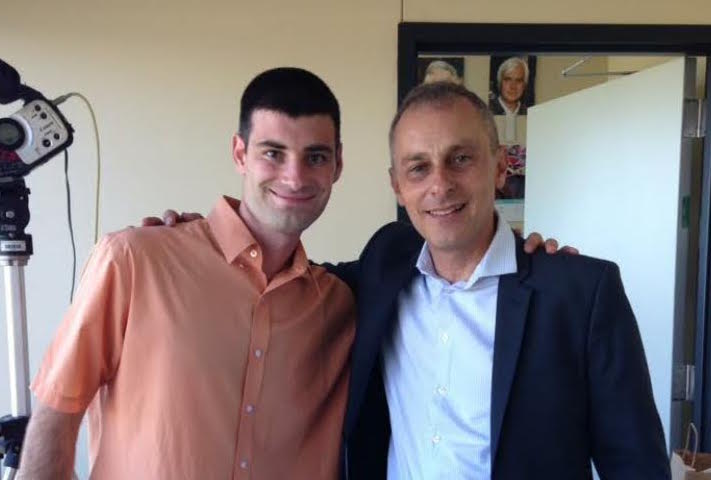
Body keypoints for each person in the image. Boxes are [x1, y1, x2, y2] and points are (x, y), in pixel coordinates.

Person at [17, 67, 358, 480]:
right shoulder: (135, 260)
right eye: (273, 152)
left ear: (338, 164)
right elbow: (56, 414)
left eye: (316, 157)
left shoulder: (339, 303)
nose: (295, 176)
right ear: (239, 153)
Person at [336, 82, 670, 479]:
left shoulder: (579, 294)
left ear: (499, 167)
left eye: (460, 158)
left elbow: (636, 465)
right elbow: (287, 277)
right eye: (418, 167)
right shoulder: (384, 265)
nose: (440, 185)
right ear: (397, 185)